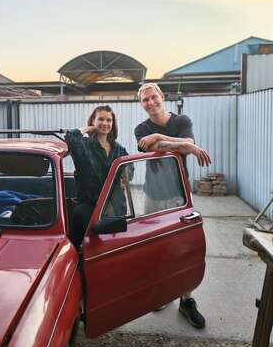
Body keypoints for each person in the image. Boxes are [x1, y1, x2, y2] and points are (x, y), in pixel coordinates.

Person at [134, 82, 211, 329]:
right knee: (157, 247)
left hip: (180, 195)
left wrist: (161, 137)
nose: (150, 102)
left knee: (183, 248)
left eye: (153, 97)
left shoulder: (182, 120)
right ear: (141, 104)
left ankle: (187, 300)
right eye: (145, 100)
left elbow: (185, 141)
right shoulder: (141, 128)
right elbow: (159, 147)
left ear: (162, 96)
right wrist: (183, 145)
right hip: (153, 195)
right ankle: (164, 293)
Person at [65, 105, 129, 248]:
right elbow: (70, 137)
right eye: (100, 119)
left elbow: (128, 171)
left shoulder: (119, 149)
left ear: (113, 124)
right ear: (93, 121)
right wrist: (88, 128)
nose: (105, 123)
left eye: (109, 120)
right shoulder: (84, 145)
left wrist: (125, 177)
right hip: (89, 207)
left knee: (114, 247)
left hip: (115, 207)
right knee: (90, 247)